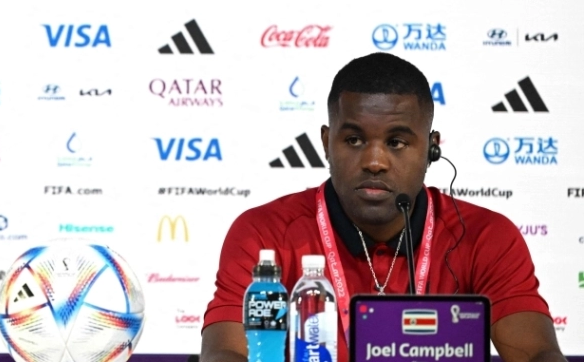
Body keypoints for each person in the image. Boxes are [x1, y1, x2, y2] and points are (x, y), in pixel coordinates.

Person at [200, 52, 566, 362]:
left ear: (432, 148)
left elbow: (537, 354)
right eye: (354, 139)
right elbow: (225, 354)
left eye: (396, 142)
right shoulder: (264, 233)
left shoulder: (486, 236)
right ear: (327, 143)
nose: (375, 161)